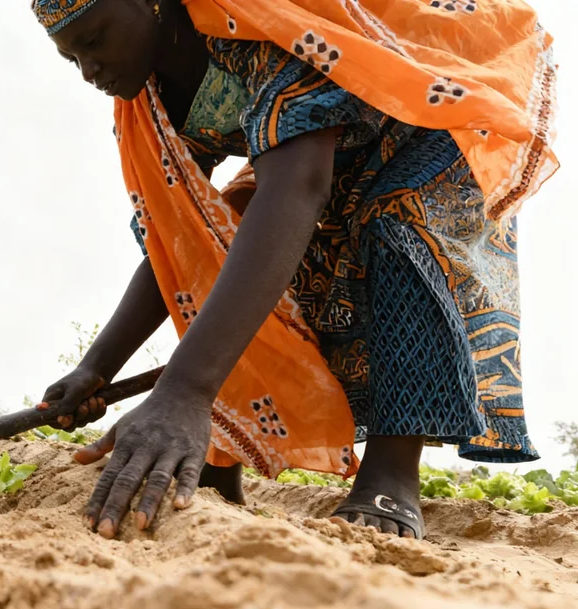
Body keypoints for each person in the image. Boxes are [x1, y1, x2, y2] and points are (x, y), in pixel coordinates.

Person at [31, 0, 557, 540]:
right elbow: (180, 241)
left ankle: (391, 474)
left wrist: (185, 390)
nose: (88, 70)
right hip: (326, 154)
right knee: (228, 234)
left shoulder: (260, 30)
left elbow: (299, 187)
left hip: (423, 127)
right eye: (72, 59)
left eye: (94, 41)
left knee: (396, 230)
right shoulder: (152, 97)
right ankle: (220, 459)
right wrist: (97, 366)